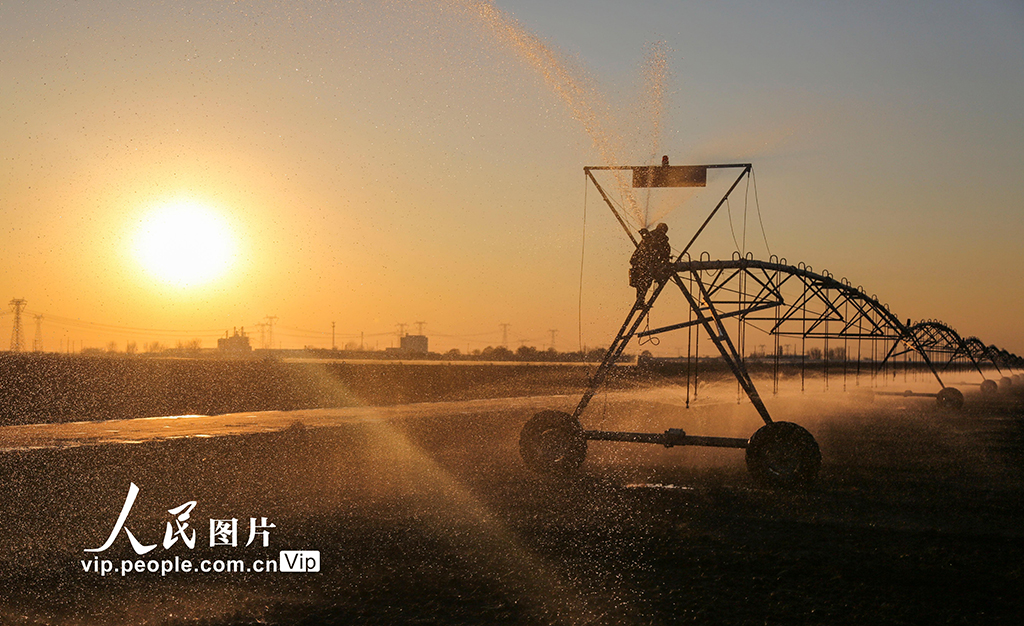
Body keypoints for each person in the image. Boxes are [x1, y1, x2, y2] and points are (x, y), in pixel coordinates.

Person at [629, 222, 671, 303]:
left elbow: (662, 253)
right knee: (643, 282)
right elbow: (650, 243)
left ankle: (640, 299)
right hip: (644, 263)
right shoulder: (657, 240)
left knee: (643, 283)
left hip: (644, 263)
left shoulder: (658, 240)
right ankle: (640, 300)